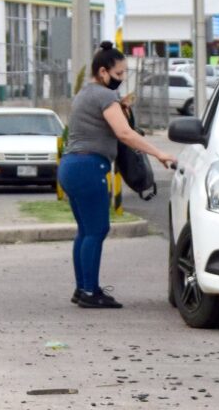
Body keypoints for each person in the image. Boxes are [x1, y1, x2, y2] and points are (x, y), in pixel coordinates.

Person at [58, 41, 176, 309]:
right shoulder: (104, 96)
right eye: (119, 74)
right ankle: (89, 291)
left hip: (71, 167)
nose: (122, 80)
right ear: (103, 72)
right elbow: (125, 133)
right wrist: (160, 153)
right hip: (89, 168)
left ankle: (83, 288)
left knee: (86, 231)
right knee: (97, 230)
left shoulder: (84, 93)